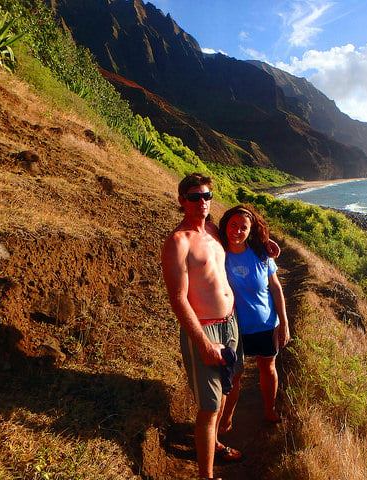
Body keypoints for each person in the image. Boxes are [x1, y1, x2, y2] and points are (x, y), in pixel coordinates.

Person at [161, 173, 243, 480]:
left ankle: (216, 443)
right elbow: (179, 299)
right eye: (195, 197)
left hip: (230, 323)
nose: (202, 202)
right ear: (182, 200)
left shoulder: (213, 230)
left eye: (206, 196)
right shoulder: (177, 243)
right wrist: (203, 343)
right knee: (209, 408)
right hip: (205, 329)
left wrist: (265, 246)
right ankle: (205, 477)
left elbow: (241, 235)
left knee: (224, 391)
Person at [217, 204, 290, 433]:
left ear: (251, 231)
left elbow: (276, 288)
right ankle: (226, 420)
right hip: (234, 327)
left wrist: (284, 323)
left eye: (243, 228)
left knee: (267, 368)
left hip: (266, 325)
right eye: (233, 225)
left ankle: (270, 410)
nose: (237, 231)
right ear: (225, 225)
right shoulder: (218, 252)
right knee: (235, 375)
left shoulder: (261, 253)